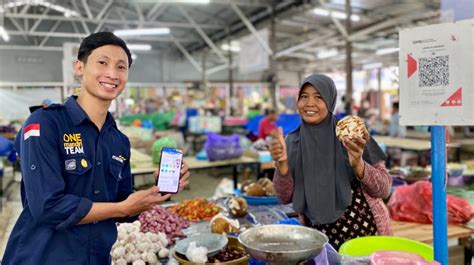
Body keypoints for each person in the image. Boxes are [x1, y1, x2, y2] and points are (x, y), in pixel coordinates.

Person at [2, 32, 190, 264]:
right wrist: (121, 208)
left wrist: (157, 192)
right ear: (79, 67)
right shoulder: (45, 124)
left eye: (121, 67)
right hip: (40, 256)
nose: (112, 73)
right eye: (102, 62)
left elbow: (122, 201)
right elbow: (47, 206)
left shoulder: (118, 141)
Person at [269, 74, 392, 250]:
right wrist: (282, 167)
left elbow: (384, 189)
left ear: (330, 101)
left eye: (318, 97)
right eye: (304, 96)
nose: (309, 103)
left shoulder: (352, 135)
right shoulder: (292, 141)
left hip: (366, 238)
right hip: (320, 243)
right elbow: (284, 197)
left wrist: (359, 164)